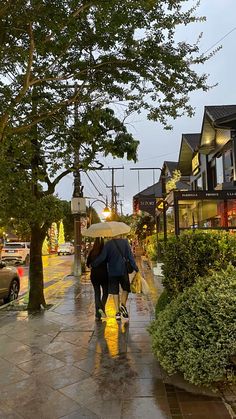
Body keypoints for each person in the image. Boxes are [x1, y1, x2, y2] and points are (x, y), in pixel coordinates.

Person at [91, 235, 138, 321]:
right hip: (123, 270)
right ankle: (123, 305)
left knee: (115, 292)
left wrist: (94, 264)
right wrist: (135, 267)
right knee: (125, 289)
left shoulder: (108, 244)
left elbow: (102, 257)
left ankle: (117, 313)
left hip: (112, 272)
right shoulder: (125, 242)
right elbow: (130, 256)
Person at [87, 237, 109, 321]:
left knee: (97, 293)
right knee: (105, 292)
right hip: (104, 275)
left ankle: (97, 314)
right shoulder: (105, 252)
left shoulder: (92, 252)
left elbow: (88, 264)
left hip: (94, 276)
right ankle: (101, 309)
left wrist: (92, 265)